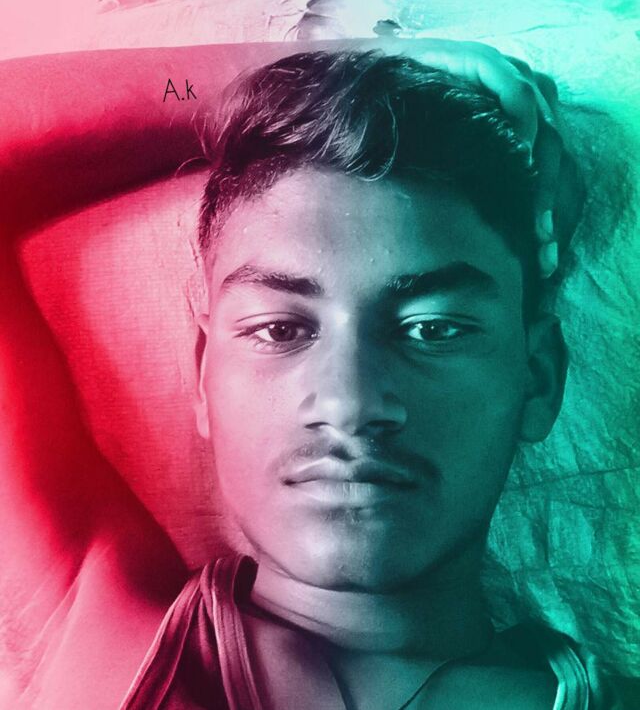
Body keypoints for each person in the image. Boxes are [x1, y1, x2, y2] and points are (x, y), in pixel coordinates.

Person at [0, 39, 626, 709]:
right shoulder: (95, 634)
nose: (350, 404)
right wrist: (319, 70)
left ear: (538, 377)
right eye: (280, 330)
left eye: (432, 329)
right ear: (203, 373)